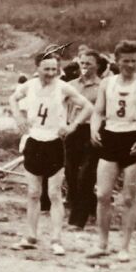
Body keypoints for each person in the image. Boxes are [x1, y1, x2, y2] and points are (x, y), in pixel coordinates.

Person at [9, 51, 92, 255]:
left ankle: (56, 239)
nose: (50, 73)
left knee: (54, 193)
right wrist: (19, 118)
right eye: (46, 69)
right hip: (34, 141)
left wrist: (72, 126)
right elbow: (13, 98)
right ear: (37, 68)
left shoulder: (63, 87)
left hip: (54, 143)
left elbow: (88, 106)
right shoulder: (29, 85)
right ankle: (30, 235)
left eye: (54, 69)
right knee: (33, 193)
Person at [87, 40, 136, 262]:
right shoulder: (107, 84)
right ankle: (102, 243)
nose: (129, 65)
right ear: (117, 61)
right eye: (125, 61)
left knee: (129, 197)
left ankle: (125, 247)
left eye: (133, 60)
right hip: (110, 135)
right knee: (102, 194)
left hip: (133, 137)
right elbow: (98, 111)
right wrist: (93, 129)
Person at [65, 50, 103, 229]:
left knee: (85, 175)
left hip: (92, 130)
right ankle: (89, 206)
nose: (85, 66)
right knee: (70, 173)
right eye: (82, 63)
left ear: (97, 66)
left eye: (89, 63)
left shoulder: (102, 86)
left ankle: (79, 218)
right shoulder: (71, 85)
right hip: (73, 130)